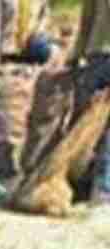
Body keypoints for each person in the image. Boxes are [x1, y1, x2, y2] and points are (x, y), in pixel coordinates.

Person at [69, 0, 110, 205]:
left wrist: (75, 54)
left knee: (88, 123)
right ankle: (103, 187)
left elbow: (87, 17)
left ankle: (82, 183)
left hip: (95, 53)